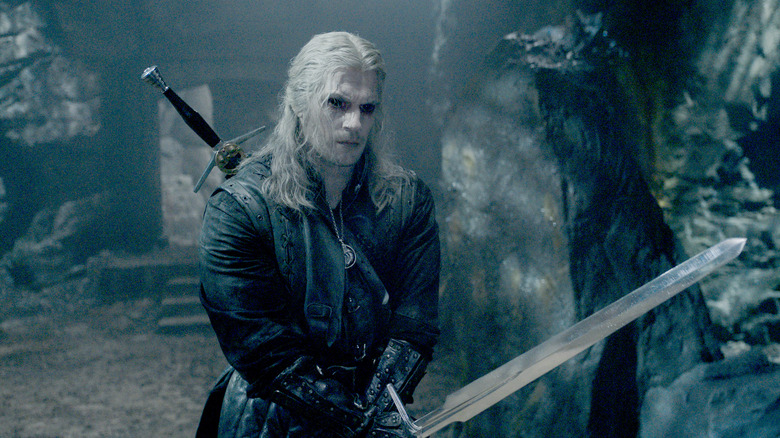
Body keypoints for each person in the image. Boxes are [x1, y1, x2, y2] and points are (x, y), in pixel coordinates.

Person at [196, 31, 441, 437]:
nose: (354, 123)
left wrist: (377, 415)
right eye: (337, 103)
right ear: (298, 103)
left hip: (375, 404)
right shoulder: (238, 209)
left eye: (367, 108)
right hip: (270, 418)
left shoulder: (406, 200)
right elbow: (264, 352)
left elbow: (414, 326)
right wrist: (360, 424)